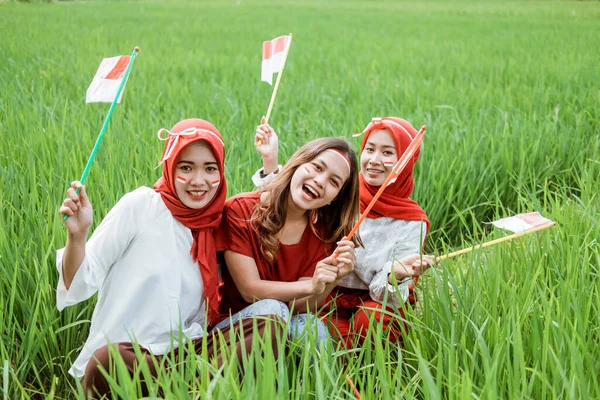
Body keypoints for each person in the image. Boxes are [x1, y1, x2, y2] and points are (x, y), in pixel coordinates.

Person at [57, 118, 284, 397]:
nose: (198, 181)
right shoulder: (142, 206)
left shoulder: (216, 222)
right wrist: (76, 237)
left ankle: (186, 391)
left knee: (269, 326)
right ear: (169, 165)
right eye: (186, 167)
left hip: (187, 358)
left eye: (209, 169)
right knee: (106, 361)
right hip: (131, 358)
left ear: (220, 173)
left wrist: (270, 161)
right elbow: (80, 280)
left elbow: (268, 213)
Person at [252, 117, 436, 348]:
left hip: (376, 301)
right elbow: (286, 204)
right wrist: (270, 161)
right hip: (327, 294)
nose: (374, 160)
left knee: (373, 323)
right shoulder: (339, 192)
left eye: (387, 153)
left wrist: (394, 274)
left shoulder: (412, 221)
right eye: (370, 149)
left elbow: (387, 292)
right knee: (325, 336)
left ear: (407, 161)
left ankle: (376, 378)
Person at [215, 137, 362, 348]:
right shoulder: (240, 210)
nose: (320, 181)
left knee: (311, 326)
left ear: (335, 198)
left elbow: (299, 307)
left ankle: (318, 382)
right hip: (231, 328)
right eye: (317, 167)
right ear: (297, 164)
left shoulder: (324, 236)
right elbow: (249, 290)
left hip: (282, 322)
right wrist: (310, 285)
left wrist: (330, 280)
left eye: (333, 182)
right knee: (274, 309)